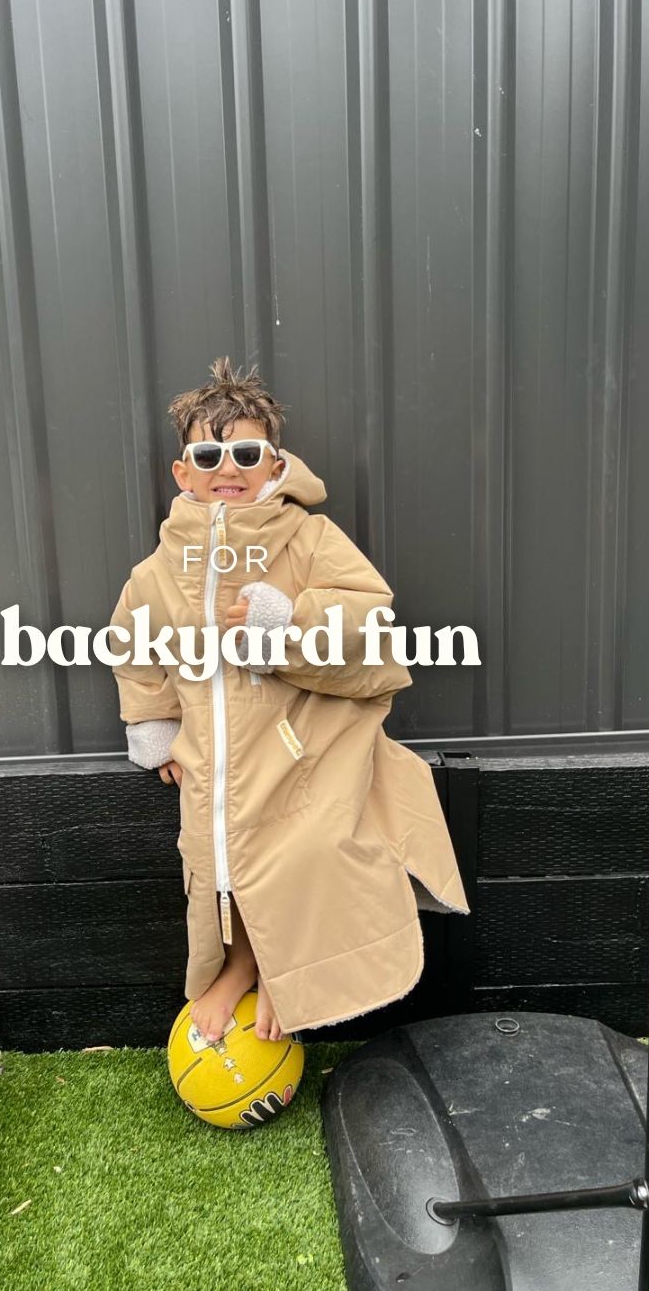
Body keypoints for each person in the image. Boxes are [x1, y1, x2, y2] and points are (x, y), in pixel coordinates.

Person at [107, 358, 470, 1046]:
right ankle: (245, 962)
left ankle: (287, 971)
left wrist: (285, 622)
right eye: (209, 456)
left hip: (303, 745)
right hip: (214, 754)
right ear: (183, 473)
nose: (228, 468)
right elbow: (136, 642)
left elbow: (366, 615)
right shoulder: (158, 571)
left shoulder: (308, 539)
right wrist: (154, 726)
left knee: (305, 852)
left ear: (274, 465)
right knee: (221, 861)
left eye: (247, 454)